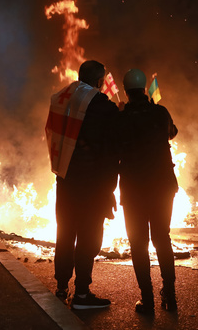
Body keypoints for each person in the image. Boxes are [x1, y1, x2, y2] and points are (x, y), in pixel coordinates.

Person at [45, 60, 119, 309]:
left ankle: (61, 286)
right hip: (92, 185)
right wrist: (109, 191)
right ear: (100, 82)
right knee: (89, 237)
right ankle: (82, 294)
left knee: (65, 232)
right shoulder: (101, 105)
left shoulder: (62, 97)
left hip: (65, 179)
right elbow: (110, 151)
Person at [118, 68, 179, 314]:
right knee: (162, 238)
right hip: (163, 185)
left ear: (126, 91)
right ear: (144, 89)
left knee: (139, 243)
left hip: (134, 188)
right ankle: (170, 295)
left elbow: (114, 145)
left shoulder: (121, 117)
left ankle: (148, 299)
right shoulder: (159, 111)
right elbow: (172, 133)